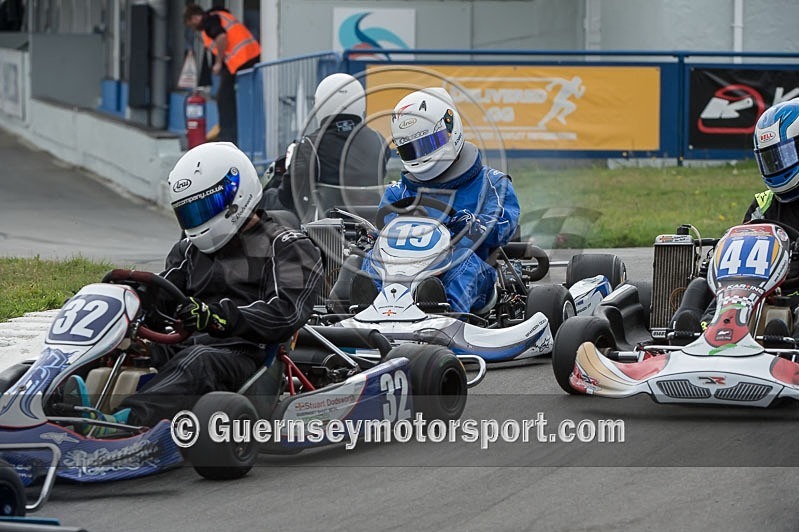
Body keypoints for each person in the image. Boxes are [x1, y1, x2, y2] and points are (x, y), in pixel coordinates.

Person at [68, 142, 323, 429]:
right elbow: (162, 296)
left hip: (248, 355)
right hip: (189, 345)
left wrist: (218, 316)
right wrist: (127, 304)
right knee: (123, 351)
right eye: (189, 212)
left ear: (236, 193)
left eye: (204, 207)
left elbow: (286, 312)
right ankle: (62, 408)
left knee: (199, 361)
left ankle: (123, 424)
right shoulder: (189, 251)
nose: (198, 220)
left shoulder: (287, 245)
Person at [359, 87, 520, 314]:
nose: (420, 155)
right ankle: (361, 310)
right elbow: (382, 236)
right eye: (410, 150)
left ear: (450, 128)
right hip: (402, 276)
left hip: (468, 271)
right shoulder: (399, 192)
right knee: (369, 261)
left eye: (426, 145)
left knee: (464, 262)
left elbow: (503, 228)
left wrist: (471, 225)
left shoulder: (491, 183)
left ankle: (444, 314)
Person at [672, 98, 799, 334]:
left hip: (794, 298)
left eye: (783, 157)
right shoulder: (764, 203)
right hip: (758, 292)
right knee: (700, 286)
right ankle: (689, 330)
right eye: (770, 159)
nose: (776, 166)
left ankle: (784, 339)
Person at [262, 73, 391, 221]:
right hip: (370, 222)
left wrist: (279, 179)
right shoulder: (379, 140)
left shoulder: (309, 145)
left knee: (268, 196)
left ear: (320, 104)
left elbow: (288, 198)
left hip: (325, 227)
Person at [184, 4, 261, 145]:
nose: (194, 28)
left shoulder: (209, 21)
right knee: (228, 96)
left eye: (192, 24)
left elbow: (221, 38)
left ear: (195, 17)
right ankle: (228, 134)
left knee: (224, 98)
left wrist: (218, 63)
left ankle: (228, 136)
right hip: (250, 55)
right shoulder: (218, 15)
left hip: (241, 59)